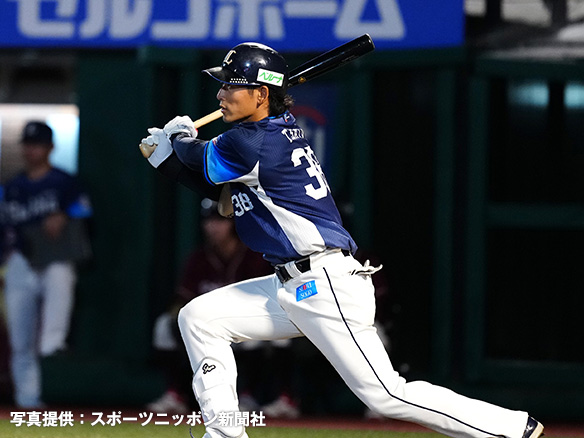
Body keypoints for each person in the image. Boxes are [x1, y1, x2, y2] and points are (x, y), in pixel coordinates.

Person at [140, 43, 544, 438]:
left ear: (261, 94)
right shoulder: (271, 134)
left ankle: (510, 429)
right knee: (199, 318)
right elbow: (226, 198)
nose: (221, 94)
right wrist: (167, 160)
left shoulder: (252, 140)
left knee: (386, 395)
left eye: (231, 85)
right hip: (291, 284)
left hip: (325, 284)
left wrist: (179, 137)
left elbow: (200, 158)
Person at [147, 198, 278, 415]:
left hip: (241, 325)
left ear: (233, 223)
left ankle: (248, 396)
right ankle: (176, 394)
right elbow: (182, 298)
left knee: (256, 336)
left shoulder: (253, 256)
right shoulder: (199, 258)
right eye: (209, 221)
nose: (213, 227)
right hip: (208, 327)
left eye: (220, 221)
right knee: (164, 325)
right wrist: (179, 318)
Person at [0, 121, 92, 408]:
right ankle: (28, 401)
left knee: (60, 274)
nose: (31, 150)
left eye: (37, 144)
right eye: (28, 145)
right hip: (21, 259)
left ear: (50, 147)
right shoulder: (11, 187)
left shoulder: (64, 182)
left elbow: (84, 210)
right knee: (20, 339)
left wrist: (65, 215)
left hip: (55, 257)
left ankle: (54, 342)